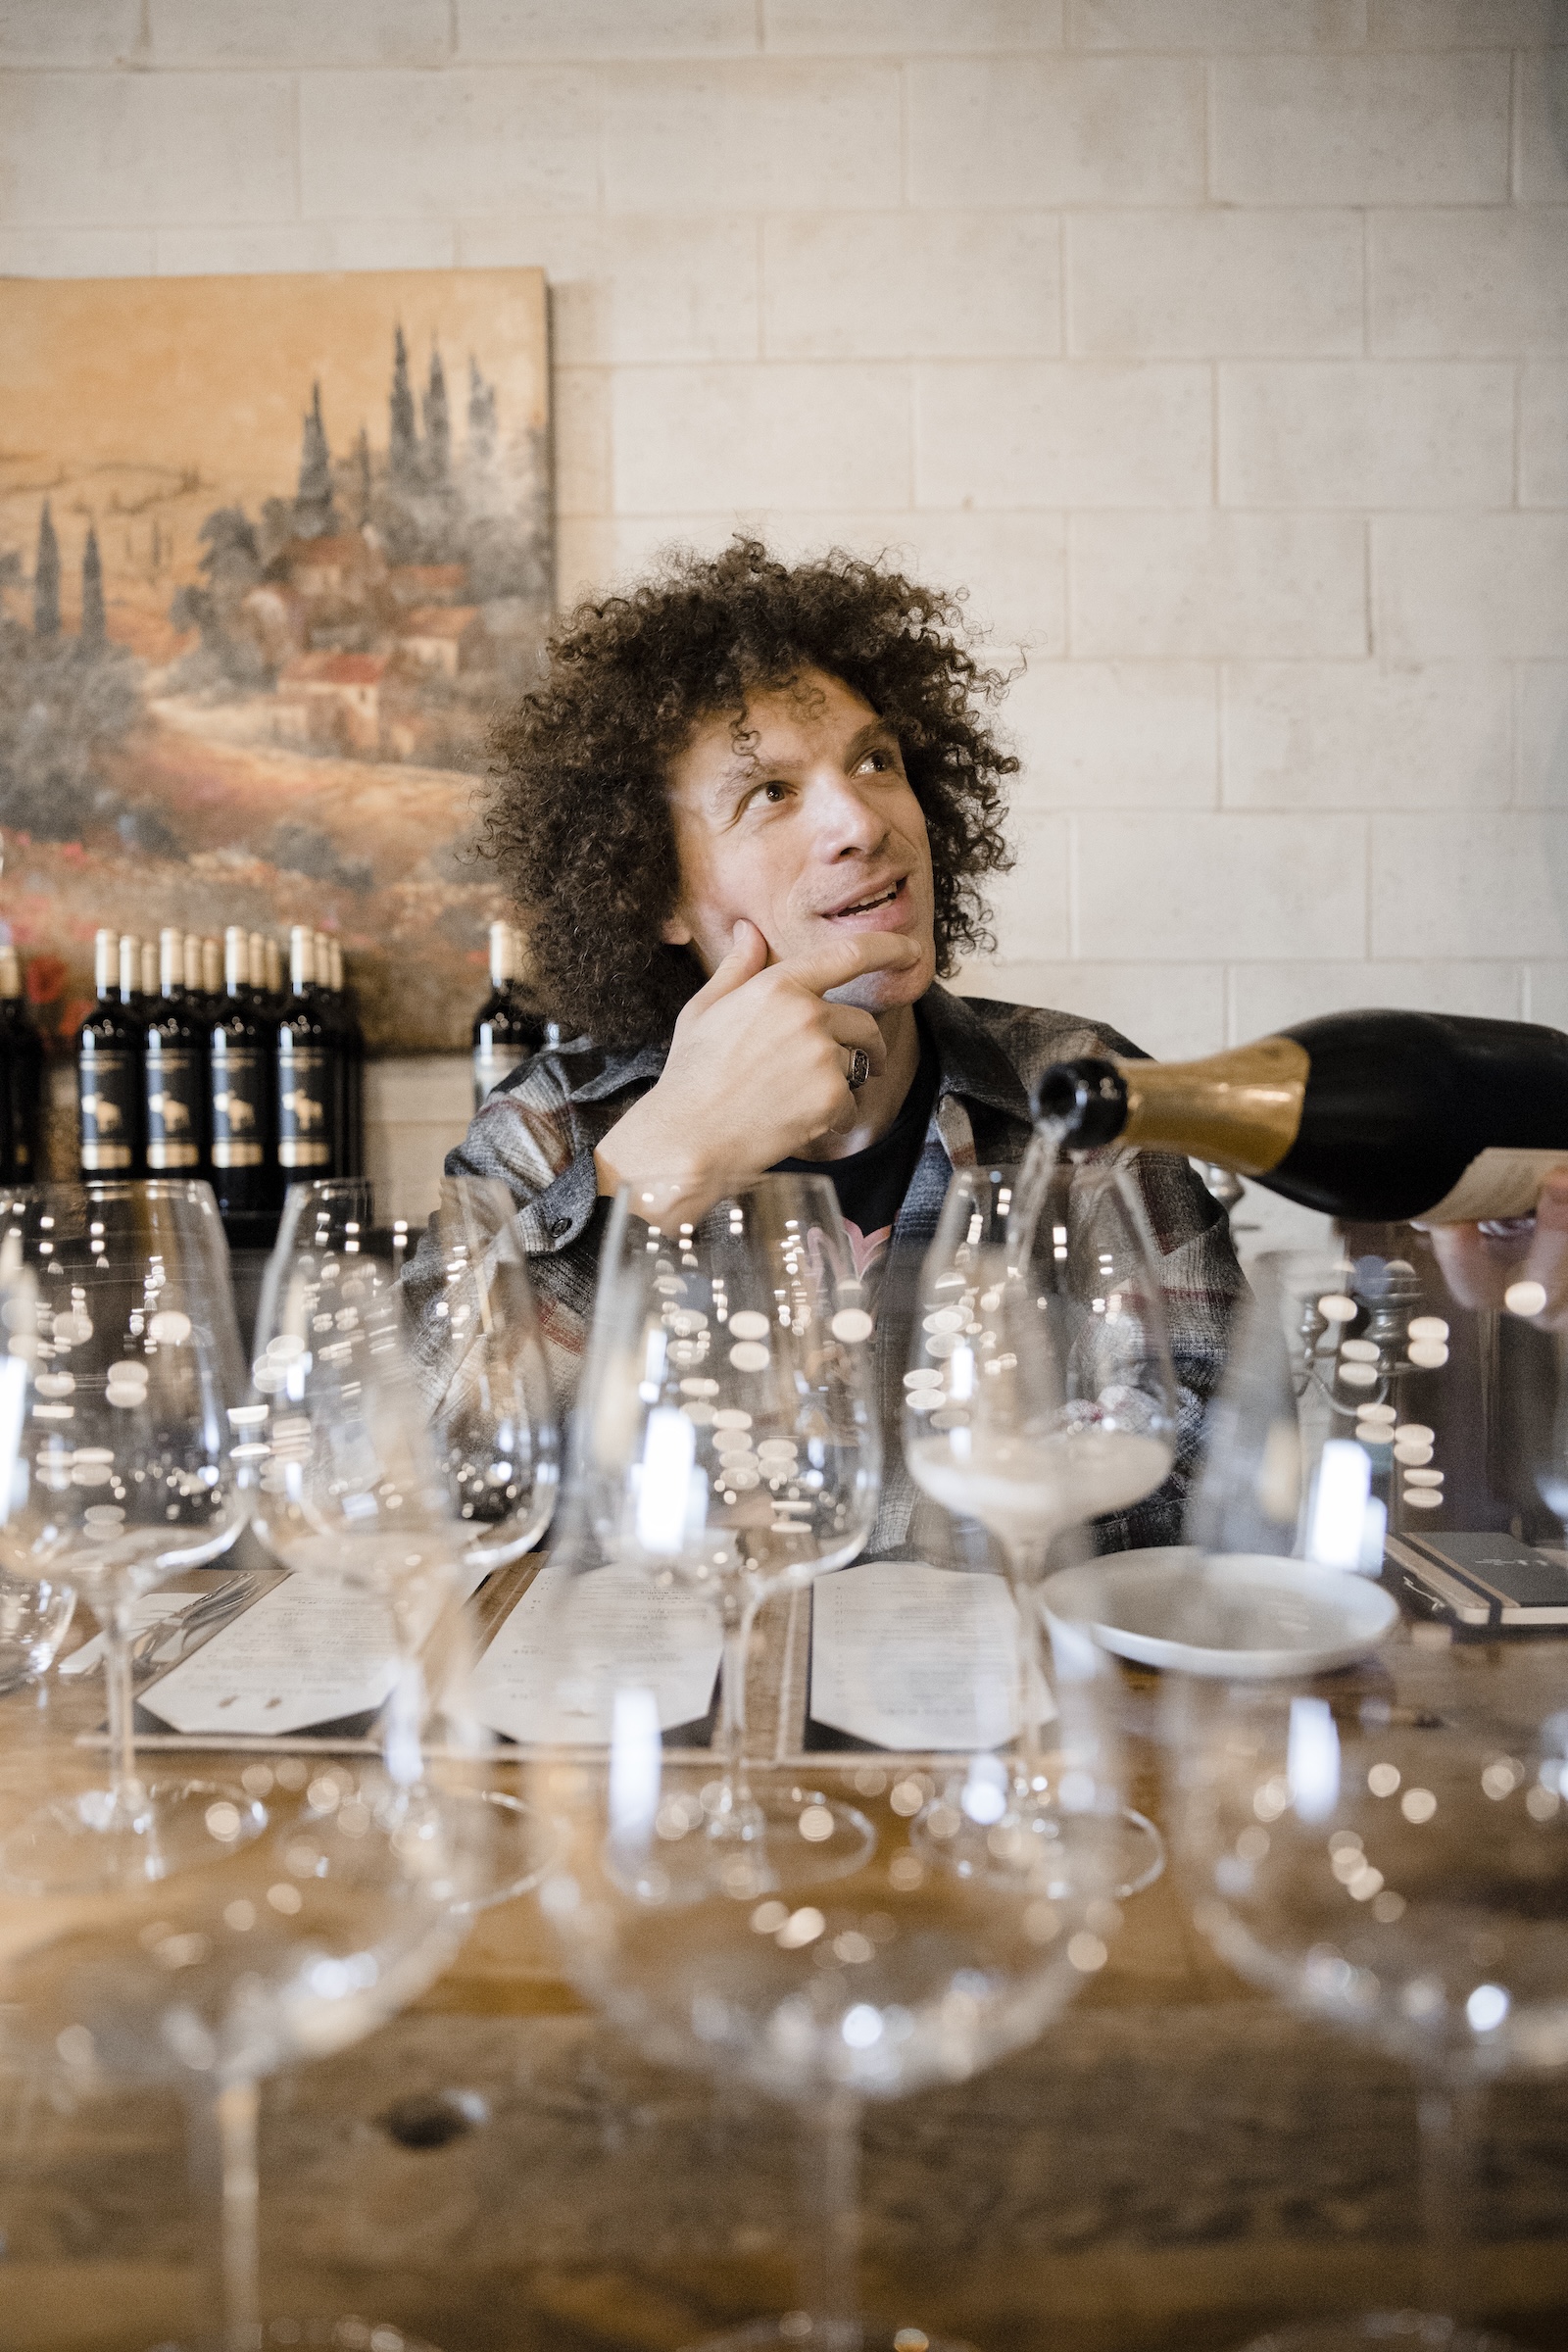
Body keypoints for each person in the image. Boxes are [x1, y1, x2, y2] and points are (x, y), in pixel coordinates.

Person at [439, 538, 1244, 1553]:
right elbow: (431, 1484)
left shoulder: (1081, 1093)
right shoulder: (548, 1129)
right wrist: (664, 1160)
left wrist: (821, 1542)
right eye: (769, 793)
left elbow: (1214, 1477)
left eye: (875, 761)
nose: (861, 821)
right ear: (657, 894)